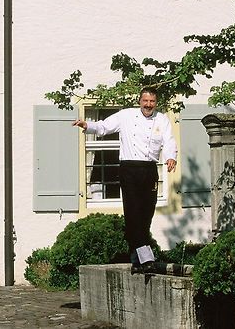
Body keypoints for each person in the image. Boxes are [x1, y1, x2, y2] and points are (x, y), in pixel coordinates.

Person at [73, 87, 177, 274]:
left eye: (152, 101)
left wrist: (170, 157)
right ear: (139, 101)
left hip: (150, 169)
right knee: (133, 213)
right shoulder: (126, 116)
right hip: (129, 168)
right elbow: (104, 127)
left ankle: (136, 260)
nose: (148, 105)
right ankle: (146, 259)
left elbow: (169, 141)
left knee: (146, 214)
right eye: (145, 101)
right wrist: (88, 126)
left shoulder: (162, 119)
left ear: (156, 103)